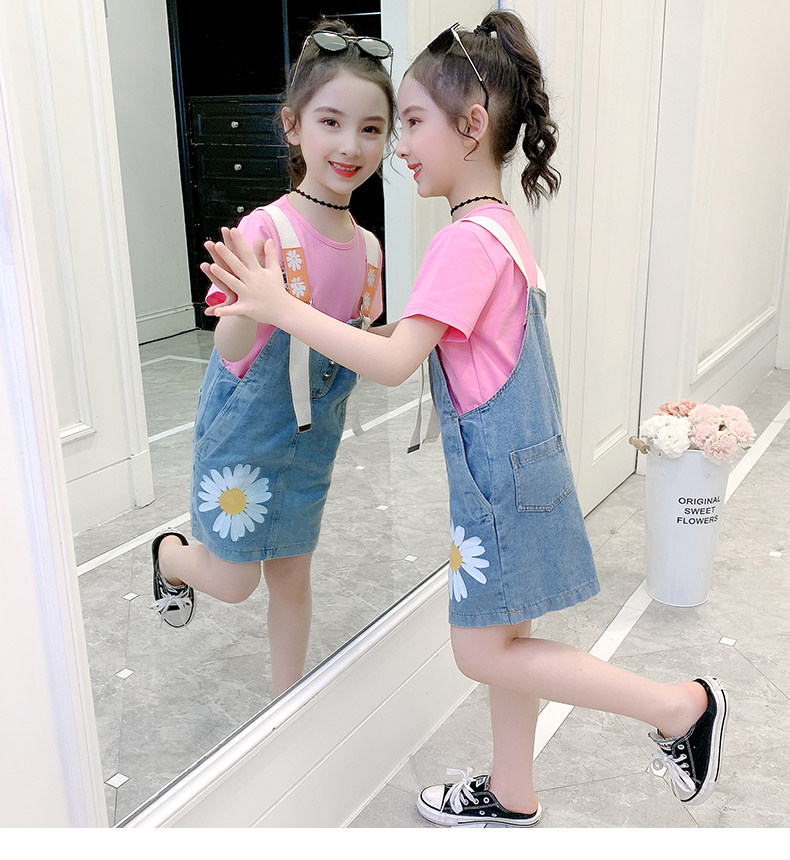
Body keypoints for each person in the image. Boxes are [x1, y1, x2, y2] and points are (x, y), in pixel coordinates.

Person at [205, 10, 729, 825]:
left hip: (496, 489)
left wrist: (280, 306)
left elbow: (392, 365)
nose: (400, 146)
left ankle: (678, 707)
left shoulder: (461, 242)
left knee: (480, 652)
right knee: (509, 645)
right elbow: (417, 341)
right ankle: (513, 790)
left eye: (411, 122)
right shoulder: (500, 229)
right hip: (528, 469)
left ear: (473, 125)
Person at [150, 19, 396, 700]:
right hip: (245, 435)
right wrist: (253, 304)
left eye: (371, 129)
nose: (350, 145)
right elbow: (230, 351)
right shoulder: (267, 230)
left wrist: (407, 336)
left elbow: (352, 344)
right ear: (292, 126)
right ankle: (170, 556)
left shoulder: (370, 250)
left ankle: (286, 706)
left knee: (292, 577)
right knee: (233, 582)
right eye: (330, 122)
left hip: (311, 444)